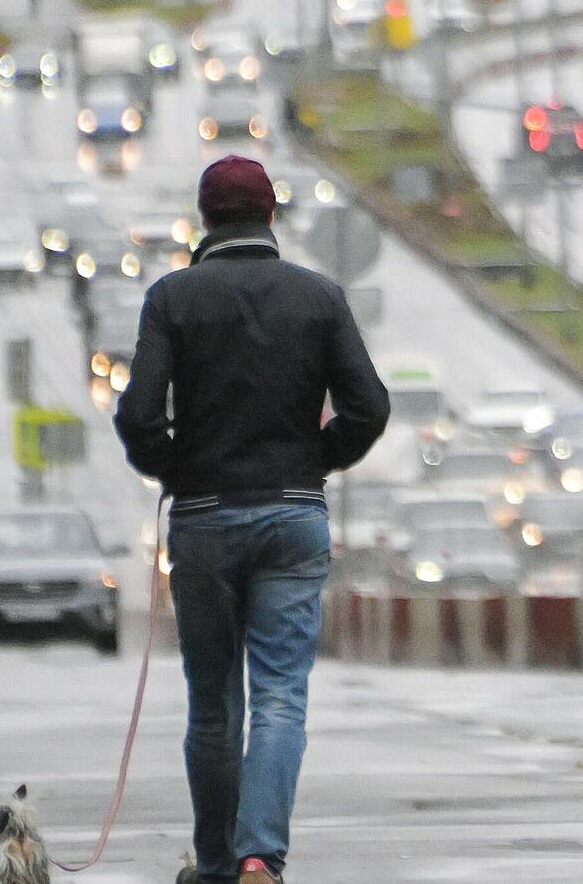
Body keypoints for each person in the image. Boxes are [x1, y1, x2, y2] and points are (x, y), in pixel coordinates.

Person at [115, 154, 390, 884]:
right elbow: (370, 407)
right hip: (293, 518)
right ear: (271, 216)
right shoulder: (320, 298)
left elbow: (139, 415)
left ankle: (213, 863)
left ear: (205, 220)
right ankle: (260, 857)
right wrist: (315, 461)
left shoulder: (172, 299)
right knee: (278, 695)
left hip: (203, 521)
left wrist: (174, 466)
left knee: (213, 704)